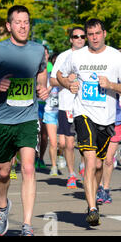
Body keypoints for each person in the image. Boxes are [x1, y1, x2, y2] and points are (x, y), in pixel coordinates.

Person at [0, 5, 49, 236]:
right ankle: (2, 206)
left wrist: (42, 87)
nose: (23, 26)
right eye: (18, 22)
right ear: (9, 26)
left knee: (28, 168)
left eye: (26, 22)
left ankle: (26, 225)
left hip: (28, 118)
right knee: (3, 171)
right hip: (2, 120)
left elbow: (41, 73)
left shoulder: (38, 50)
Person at [57, 18, 121, 226]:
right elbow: (59, 75)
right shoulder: (77, 56)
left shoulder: (116, 58)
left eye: (97, 33)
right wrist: (68, 84)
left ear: (105, 33)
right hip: (83, 114)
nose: (94, 38)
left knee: (99, 164)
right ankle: (91, 208)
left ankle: (94, 200)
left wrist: (111, 85)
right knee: (90, 161)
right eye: (90, 34)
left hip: (107, 118)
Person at [50, 26, 86, 188]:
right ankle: (71, 174)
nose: (79, 39)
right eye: (76, 36)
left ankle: (84, 167)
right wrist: (67, 80)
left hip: (86, 105)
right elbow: (52, 81)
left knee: (86, 143)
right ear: (71, 39)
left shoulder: (90, 56)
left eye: (82, 36)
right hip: (67, 105)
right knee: (69, 144)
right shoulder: (64, 56)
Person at [43, 51, 61, 176]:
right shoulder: (47, 77)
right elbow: (42, 93)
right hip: (50, 111)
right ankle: (54, 166)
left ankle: (61, 155)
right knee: (53, 142)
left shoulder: (66, 78)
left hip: (63, 113)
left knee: (63, 144)